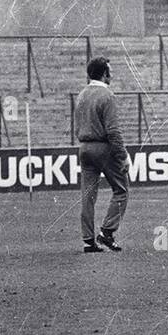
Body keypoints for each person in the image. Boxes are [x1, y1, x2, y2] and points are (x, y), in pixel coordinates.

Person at [74, 57, 129, 253]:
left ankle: (88, 240)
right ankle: (107, 232)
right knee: (121, 189)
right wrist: (122, 156)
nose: (111, 75)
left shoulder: (81, 95)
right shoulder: (107, 96)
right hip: (103, 148)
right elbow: (113, 131)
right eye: (110, 72)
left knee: (87, 195)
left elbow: (77, 126)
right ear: (104, 74)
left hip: (84, 148)